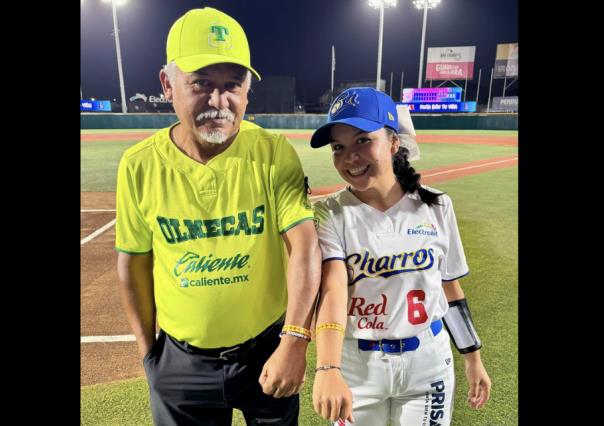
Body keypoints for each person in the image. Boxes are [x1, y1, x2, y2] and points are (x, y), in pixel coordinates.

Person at [114, 7, 321, 425]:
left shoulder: (272, 152)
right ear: (167, 84)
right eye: (201, 84)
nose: (218, 102)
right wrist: (149, 354)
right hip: (181, 362)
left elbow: (304, 245)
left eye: (232, 86)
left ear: (247, 90)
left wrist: (295, 341)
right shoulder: (138, 165)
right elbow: (133, 262)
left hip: (267, 350)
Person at [309, 87, 491, 425]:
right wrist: (328, 368)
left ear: (394, 143)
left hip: (429, 363)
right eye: (338, 147)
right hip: (357, 366)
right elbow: (332, 295)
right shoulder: (330, 213)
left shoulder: (436, 205)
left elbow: (449, 289)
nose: (350, 157)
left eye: (363, 140)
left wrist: (473, 356)